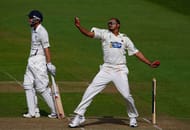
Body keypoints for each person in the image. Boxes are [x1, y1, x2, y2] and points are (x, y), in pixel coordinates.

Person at [69, 17, 160, 128]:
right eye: (108, 23)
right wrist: (79, 27)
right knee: (90, 90)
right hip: (106, 69)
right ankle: (79, 116)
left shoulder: (125, 38)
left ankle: (132, 117)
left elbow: (136, 52)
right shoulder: (104, 33)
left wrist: (149, 63)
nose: (110, 24)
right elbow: (89, 34)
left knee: (126, 95)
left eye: (112, 23)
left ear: (118, 25)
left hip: (120, 70)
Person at [23, 10, 57, 118]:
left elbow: (46, 48)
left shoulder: (42, 31)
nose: (29, 20)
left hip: (39, 62)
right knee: (27, 85)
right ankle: (32, 112)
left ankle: (55, 111)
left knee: (42, 88)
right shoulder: (33, 30)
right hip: (31, 61)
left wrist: (49, 63)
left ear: (37, 19)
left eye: (30, 18)